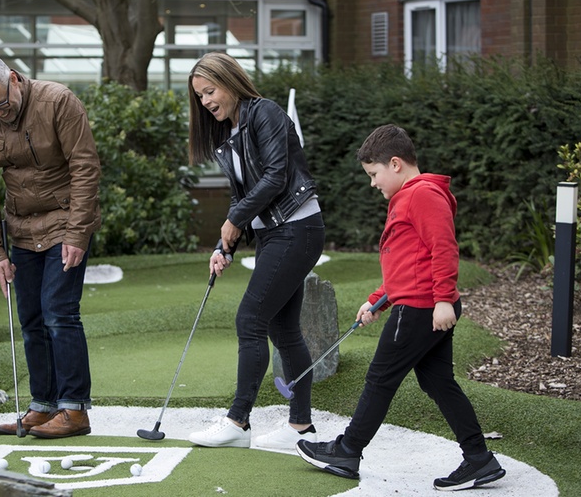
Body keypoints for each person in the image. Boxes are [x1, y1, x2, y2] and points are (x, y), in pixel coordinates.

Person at [296, 124, 506, 491]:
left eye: (374, 174)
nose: (373, 183)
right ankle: (479, 458)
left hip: (423, 309)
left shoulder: (422, 195)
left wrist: (443, 299)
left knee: (380, 379)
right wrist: (380, 297)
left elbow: (443, 248)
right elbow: (411, 260)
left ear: (395, 164)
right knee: (438, 382)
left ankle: (347, 451)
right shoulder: (411, 196)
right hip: (420, 305)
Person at [185, 52, 325, 449]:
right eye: (200, 97)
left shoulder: (265, 113)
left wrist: (233, 221)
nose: (206, 101)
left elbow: (275, 176)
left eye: (210, 91)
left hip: (297, 228)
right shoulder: (227, 134)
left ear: (230, 82)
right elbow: (241, 196)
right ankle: (301, 428)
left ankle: (238, 422)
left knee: (250, 319)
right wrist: (223, 245)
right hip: (274, 235)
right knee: (283, 329)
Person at [0, 55, 101, 439]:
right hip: (20, 228)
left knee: (58, 311)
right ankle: (43, 405)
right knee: (31, 320)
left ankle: (74, 410)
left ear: (14, 79)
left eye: (1, 103)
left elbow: (85, 167)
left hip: (65, 220)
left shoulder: (58, 101)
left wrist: (77, 234)